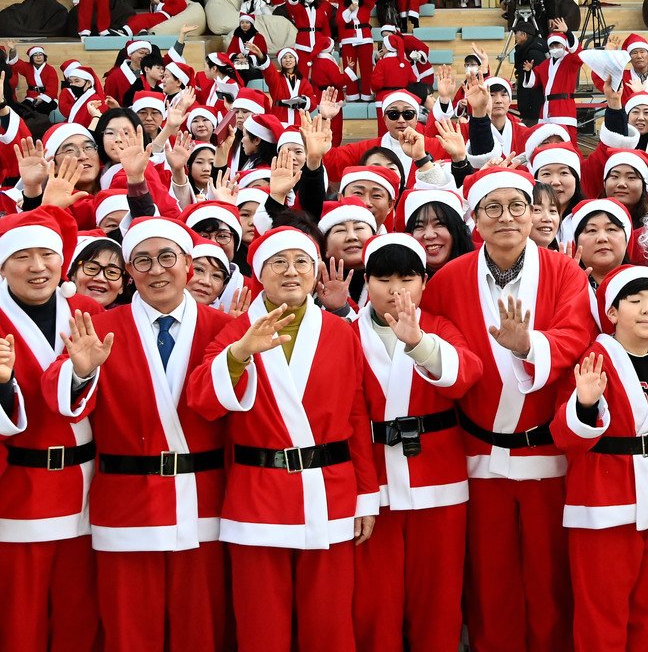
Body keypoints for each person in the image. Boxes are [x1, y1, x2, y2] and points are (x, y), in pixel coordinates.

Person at [418, 167, 593, 652]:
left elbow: (576, 337)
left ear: (535, 212)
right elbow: (441, 357)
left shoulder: (564, 273)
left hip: (545, 455)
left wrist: (530, 346)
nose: (507, 218)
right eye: (492, 208)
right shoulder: (448, 279)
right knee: (489, 581)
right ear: (475, 219)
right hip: (477, 454)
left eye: (518, 206)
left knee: (549, 579)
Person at [187, 226, 380, 652]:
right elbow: (203, 400)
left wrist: (367, 495)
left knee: (329, 623)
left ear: (315, 272)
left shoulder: (340, 332)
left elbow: (355, 414)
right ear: (259, 272)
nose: (291, 272)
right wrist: (238, 353)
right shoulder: (235, 331)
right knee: (261, 625)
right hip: (257, 495)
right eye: (279, 262)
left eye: (301, 263)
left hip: (330, 491)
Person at [49, 218, 233, 652]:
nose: (156, 270)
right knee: (129, 629)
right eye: (142, 261)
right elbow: (63, 399)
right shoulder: (99, 329)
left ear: (189, 265)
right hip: (125, 503)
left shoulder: (225, 326)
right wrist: (80, 369)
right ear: (129, 272)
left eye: (167, 257)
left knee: (200, 629)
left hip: (203, 498)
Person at [551, 265, 648, 650]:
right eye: (635, 300)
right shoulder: (594, 358)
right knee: (603, 610)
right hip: (602, 500)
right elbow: (564, 437)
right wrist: (584, 403)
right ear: (612, 312)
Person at [351, 233, 480, 652]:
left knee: (439, 600)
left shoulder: (439, 326)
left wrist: (418, 343)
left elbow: (465, 376)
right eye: (383, 278)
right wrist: (361, 493)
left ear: (424, 281)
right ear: (365, 281)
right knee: (375, 601)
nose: (395, 289)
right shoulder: (345, 333)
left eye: (407, 277)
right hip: (375, 487)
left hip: (439, 480)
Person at [0, 207, 106, 652]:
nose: (38, 266)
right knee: (18, 619)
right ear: (3, 265)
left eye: (47, 254)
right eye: (23, 256)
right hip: (18, 492)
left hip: (86, 488)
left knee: (78, 612)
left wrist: (82, 374)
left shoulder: (83, 310)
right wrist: (3, 386)